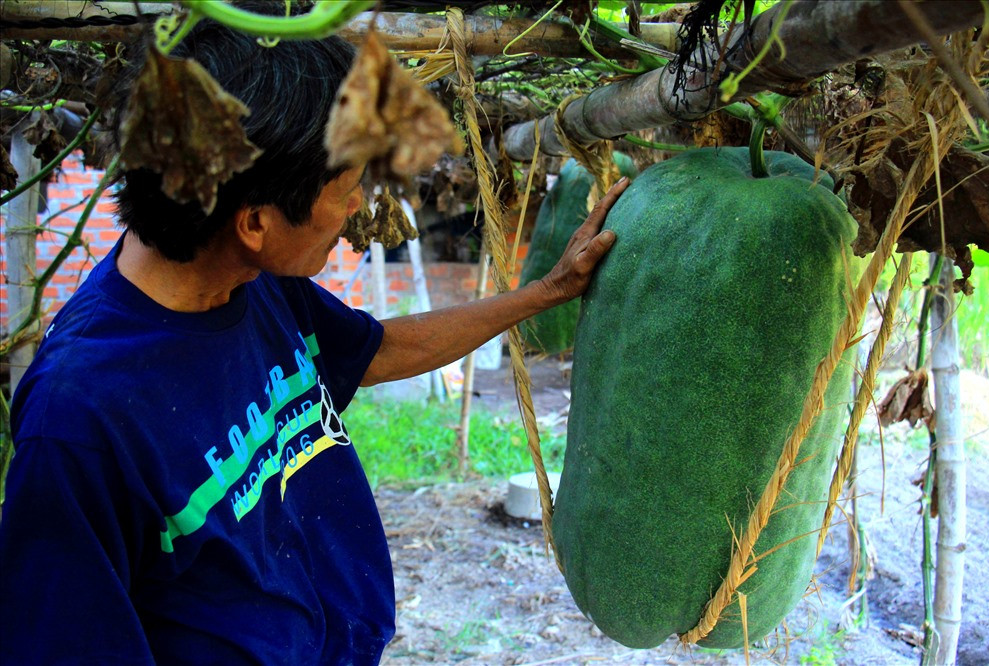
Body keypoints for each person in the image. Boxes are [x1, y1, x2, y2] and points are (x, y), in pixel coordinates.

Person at [0, 10, 629, 666]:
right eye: (349, 189)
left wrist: (547, 291)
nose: (359, 207)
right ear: (255, 221)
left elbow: (380, 349)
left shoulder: (251, 278)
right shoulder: (77, 423)